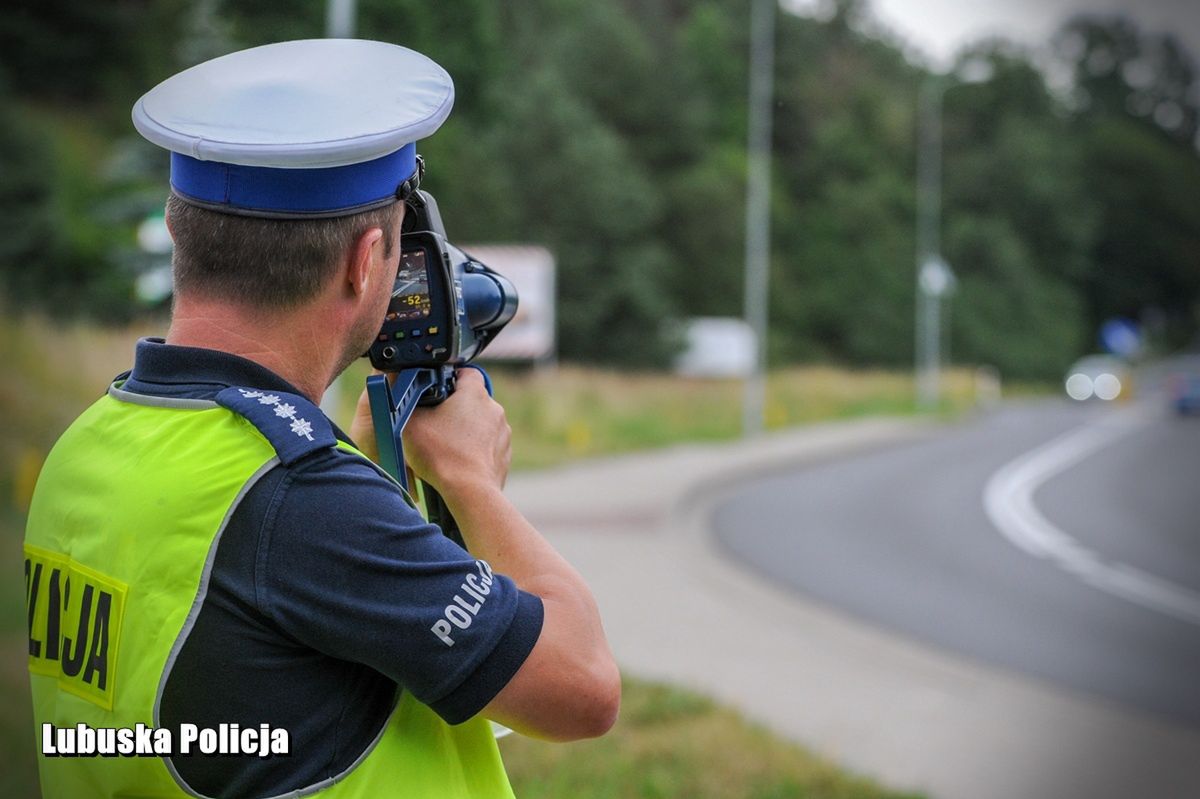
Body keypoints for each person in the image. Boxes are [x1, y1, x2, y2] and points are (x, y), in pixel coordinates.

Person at [23, 39, 619, 799]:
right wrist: (471, 480)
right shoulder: (299, 499)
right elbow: (583, 686)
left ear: (180, 235)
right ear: (366, 260)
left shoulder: (87, 445)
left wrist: (372, 479)